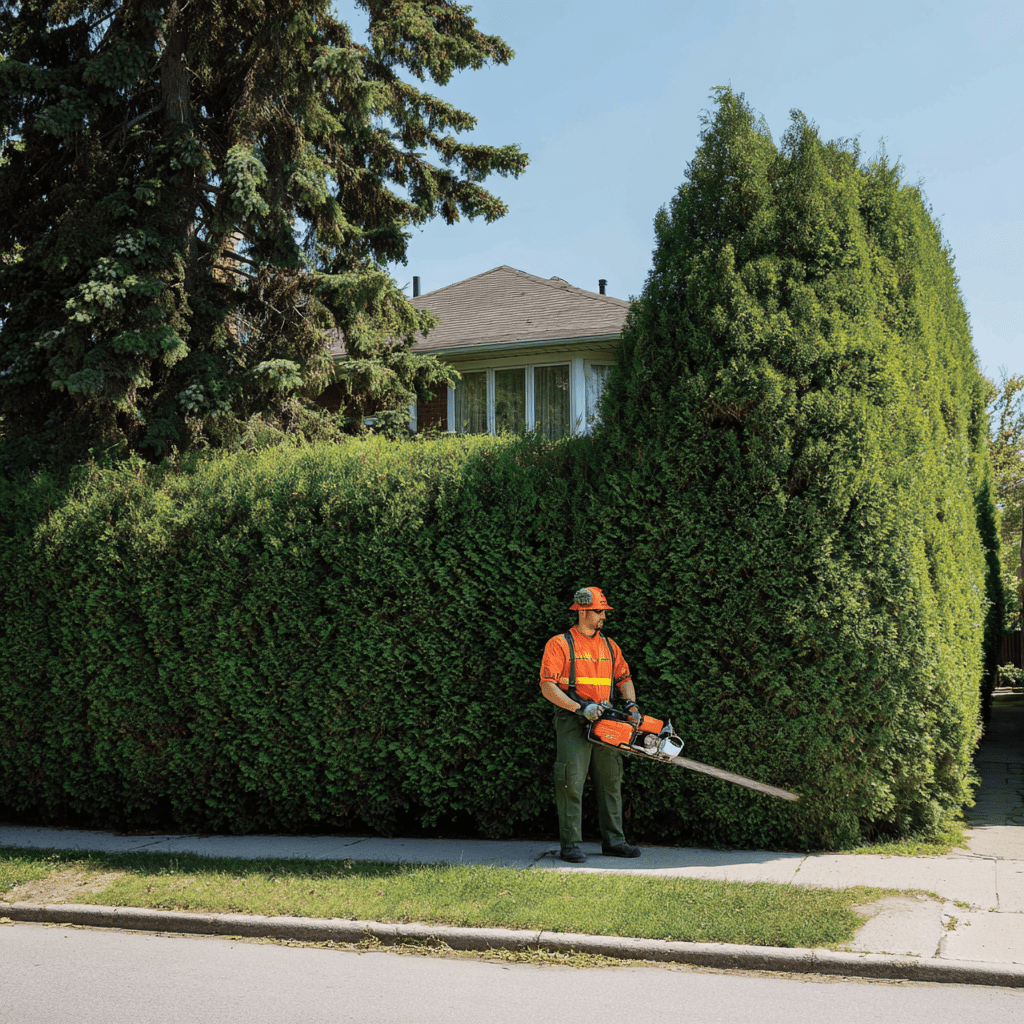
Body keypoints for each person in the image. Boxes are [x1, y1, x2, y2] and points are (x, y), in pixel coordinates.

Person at [539, 586, 643, 863]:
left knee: (611, 782)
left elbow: (624, 678)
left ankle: (614, 841)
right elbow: (548, 686)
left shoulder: (610, 646)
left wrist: (631, 704)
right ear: (582, 611)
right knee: (570, 782)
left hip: (606, 721)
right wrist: (580, 707)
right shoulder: (560, 644)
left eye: (604, 612)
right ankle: (571, 845)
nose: (603, 617)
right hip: (573, 721)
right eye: (599, 612)